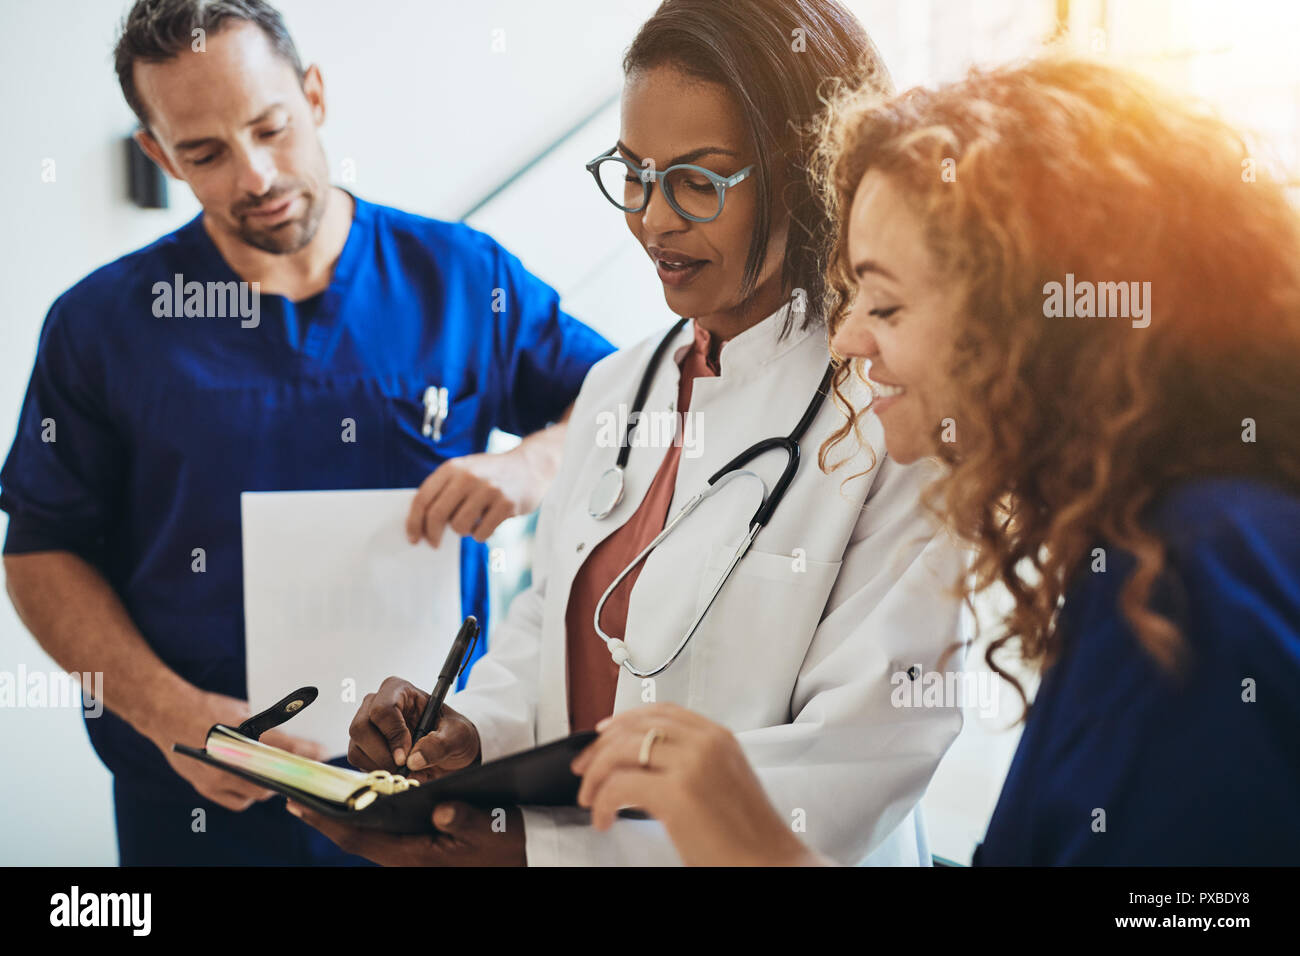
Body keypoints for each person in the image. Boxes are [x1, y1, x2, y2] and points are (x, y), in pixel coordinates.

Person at [570, 56, 1300, 865]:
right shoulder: (1146, 551)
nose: (847, 339)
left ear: (1031, 320)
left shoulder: (1196, 582)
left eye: (885, 302)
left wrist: (759, 848)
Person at [290, 0, 969, 866]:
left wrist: (539, 852)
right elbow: (548, 629)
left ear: (804, 173)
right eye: (635, 173)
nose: (652, 218)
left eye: (698, 180)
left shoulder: (889, 415)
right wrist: (467, 738)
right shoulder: (618, 385)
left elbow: (852, 767)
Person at [0, 0, 613, 866]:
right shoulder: (101, 326)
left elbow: (631, 399)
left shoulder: (461, 278)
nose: (254, 175)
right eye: (204, 152)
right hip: (198, 809)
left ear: (315, 95)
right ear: (156, 153)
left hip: (428, 794)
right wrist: (173, 714)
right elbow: (39, 552)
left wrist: (539, 461)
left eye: (271, 127)